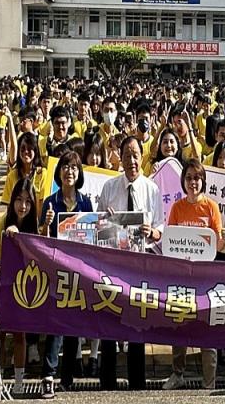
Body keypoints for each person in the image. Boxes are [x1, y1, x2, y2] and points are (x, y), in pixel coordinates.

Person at [96, 136, 163, 390]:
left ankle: (137, 382)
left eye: (136, 155)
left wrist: (153, 232)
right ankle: (107, 382)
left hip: (140, 267)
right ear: (120, 158)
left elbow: (160, 225)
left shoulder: (152, 189)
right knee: (110, 319)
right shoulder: (109, 188)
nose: (132, 160)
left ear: (142, 157)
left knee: (137, 321)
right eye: (127, 155)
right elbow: (97, 226)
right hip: (112, 267)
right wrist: (105, 220)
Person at [163, 160, 225, 390]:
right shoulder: (177, 208)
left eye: (197, 178)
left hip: (205, 278)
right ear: (183, 181)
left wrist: (224, 240)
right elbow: (170, 243)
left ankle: (209, 381)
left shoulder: (211, 207)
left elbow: (217, 245)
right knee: (179, 324)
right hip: (181, 277)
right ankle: (177, 373)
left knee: (206, 328)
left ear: (203, 181)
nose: (193, 182)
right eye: (189, 177)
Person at [39, 151, 93, 397]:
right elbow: (40, 241)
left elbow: (92, 239)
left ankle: (68, 377)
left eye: (74, 167)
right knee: (55, 323)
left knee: (73, 324)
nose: (69, 171)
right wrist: (46, 224)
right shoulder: (49, 202)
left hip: (78, 271)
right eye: (65, 167)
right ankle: (48, 374)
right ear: (58, 172)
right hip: (55, 271)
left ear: (79, 173)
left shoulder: (86, 203)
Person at [0, 176, 39, 395]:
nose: (23, 206)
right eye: (19, 200)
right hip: (2, 286)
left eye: (28, 202)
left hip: (23, 289)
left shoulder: (33, 225)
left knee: (20, 335)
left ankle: (19, 381)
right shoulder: (2, 224)